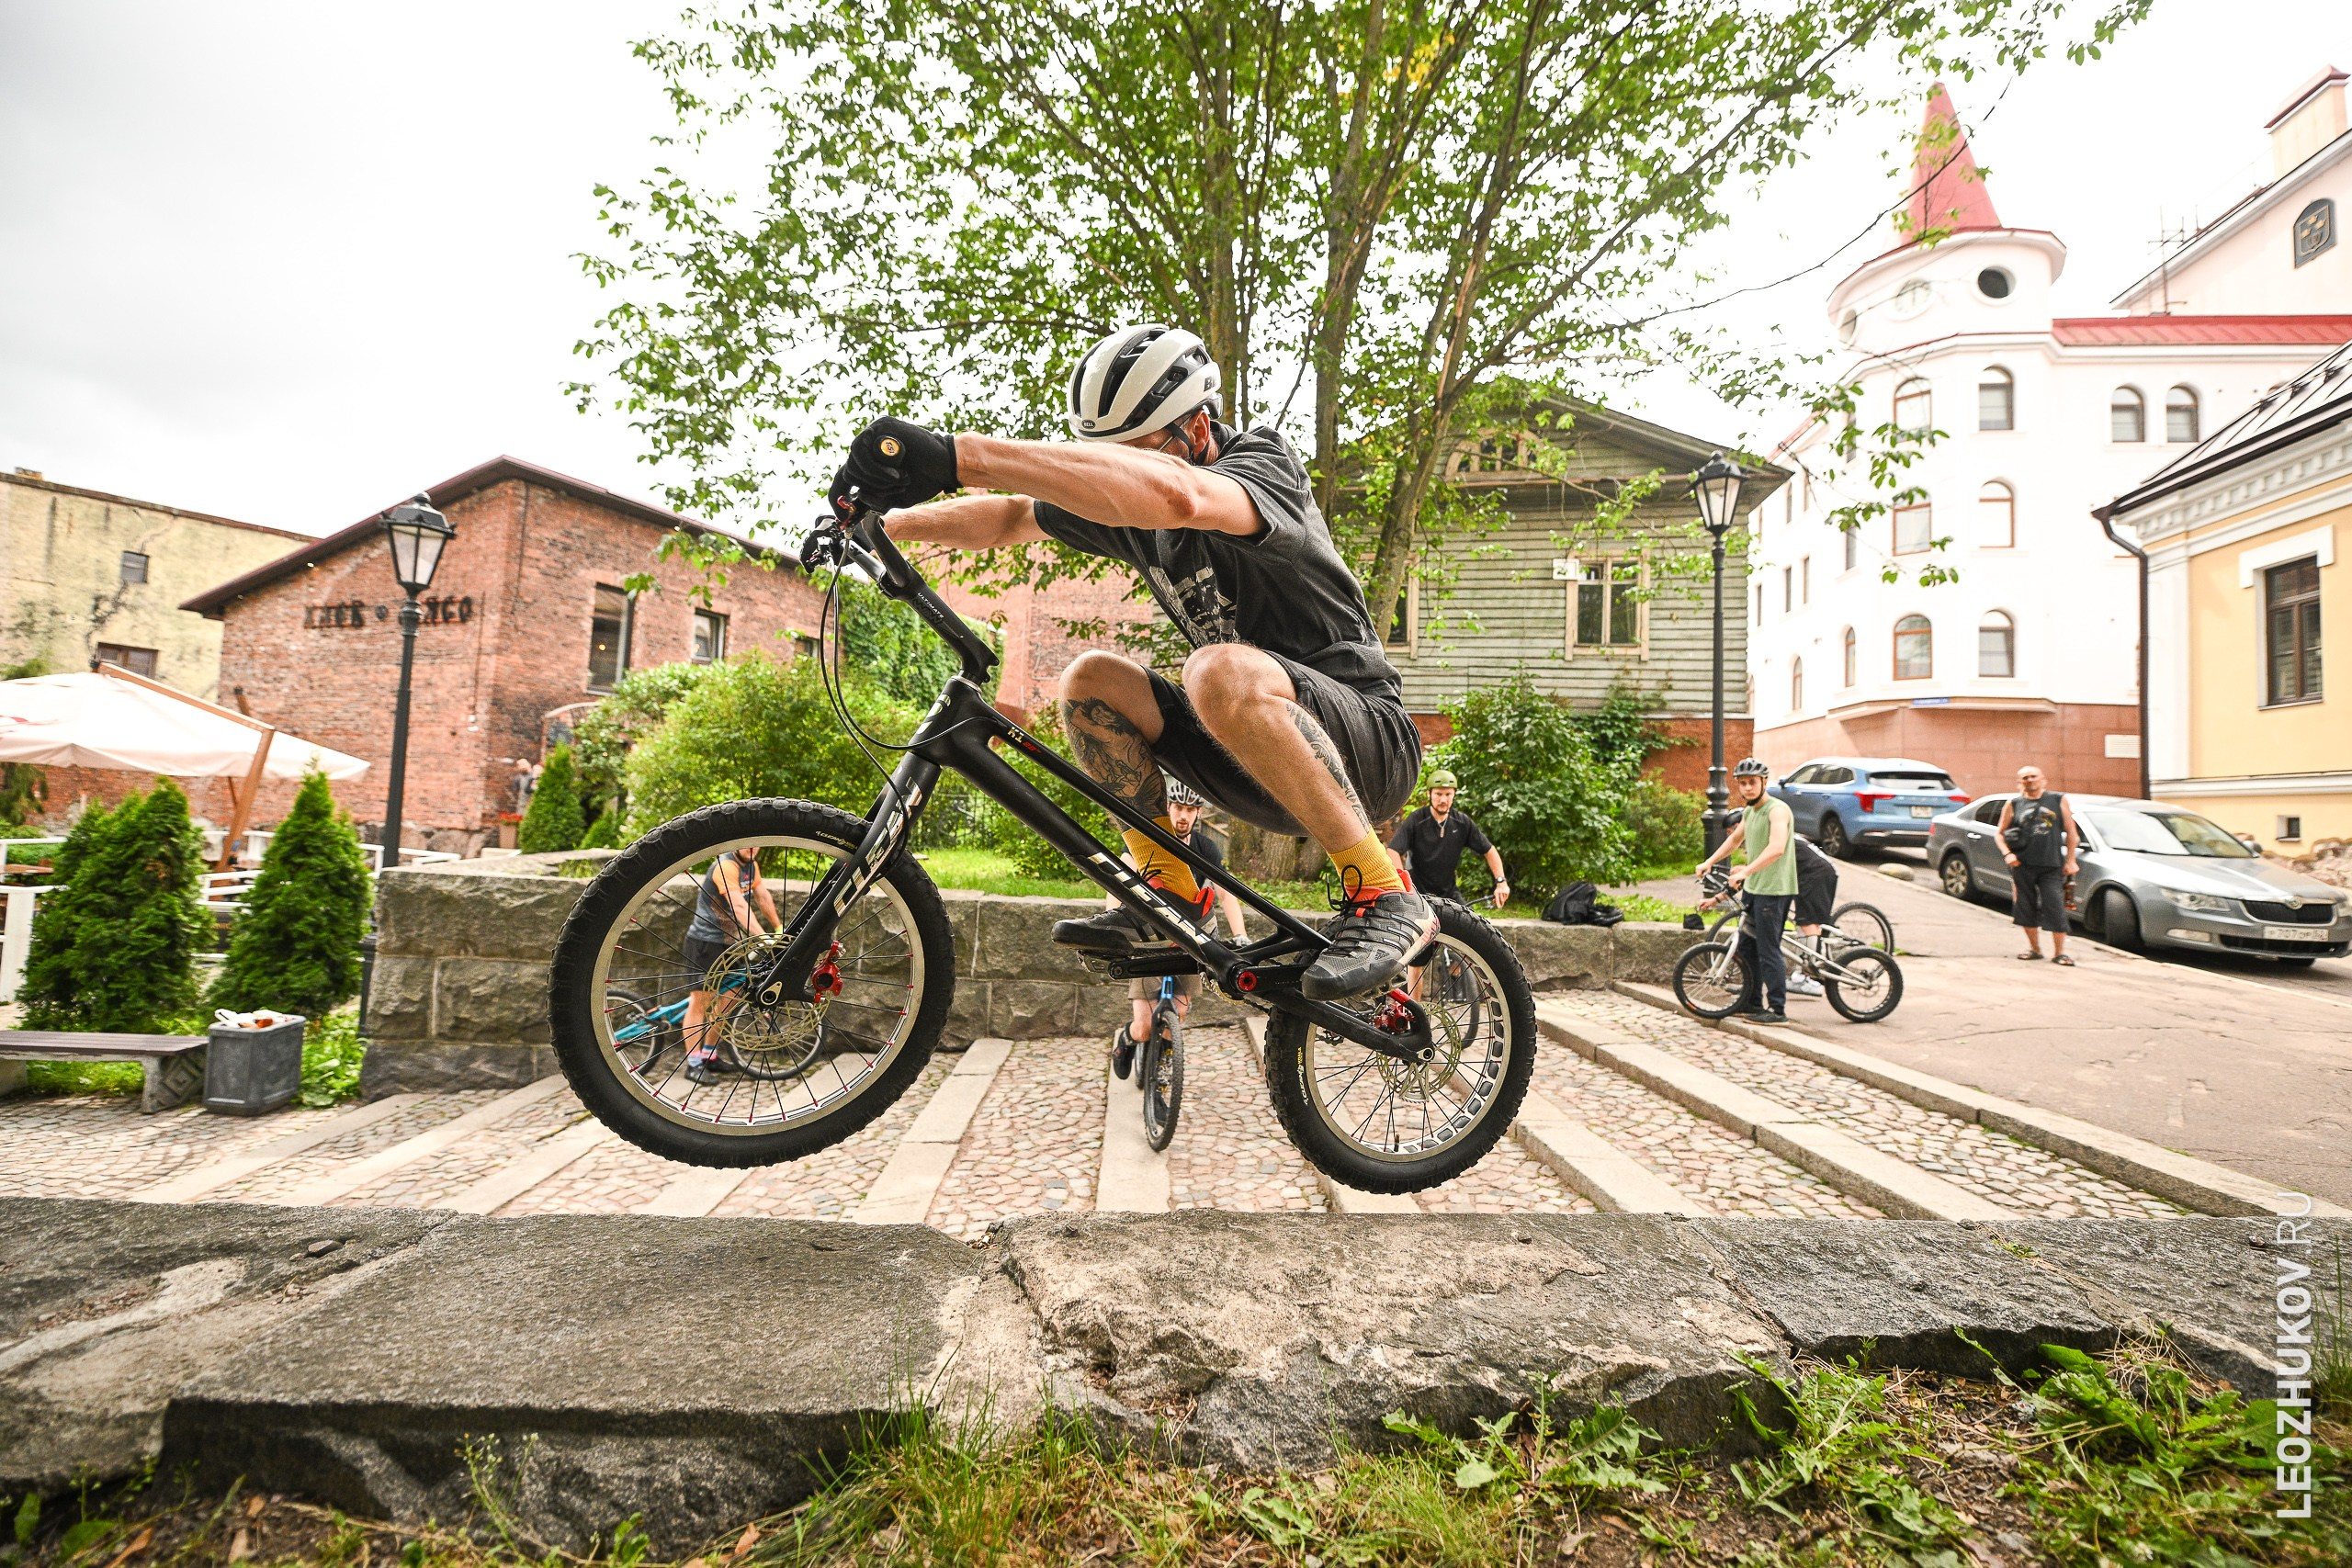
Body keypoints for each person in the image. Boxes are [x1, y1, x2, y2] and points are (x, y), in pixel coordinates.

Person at [829, 322, 1435, 1000]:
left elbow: (1179, 495)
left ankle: (1384, 893)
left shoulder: (1262, 464)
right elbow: (1009, 518)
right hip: (1251, 759)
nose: (1118, 479)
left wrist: (957, 454)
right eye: (1108, 461)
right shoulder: (1130, 512)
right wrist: (877, 525)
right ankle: (1168, 890)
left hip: (1368, 744)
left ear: (1198, 428)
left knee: (1215, 667)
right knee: (1091, 680)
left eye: (1136, 456)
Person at [1109, 777, 1250, 1079]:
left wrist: (1240, 935)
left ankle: (1163, 1067)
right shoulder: (1146, 839)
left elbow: (1225, 894)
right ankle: (1128, 1038)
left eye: (1190, 809)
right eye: (1177, 807)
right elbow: (1119, 881)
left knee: (1179, 1012)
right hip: (1150, 935)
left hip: (1188, 937)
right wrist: (1112, 921)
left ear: (1198, 813)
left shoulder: (1205, 848)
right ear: (1167, 808)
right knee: (1144, 1027)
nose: (1183, 815)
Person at [1693, 757, 1798, 1022]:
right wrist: (1709, 861)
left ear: (1764, 782)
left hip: (1774, 890)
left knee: (1768, 949)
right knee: (1748, 948)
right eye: (1743, 784)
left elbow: (1776, 848)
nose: (1748, 788)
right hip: (1755, 888)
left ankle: (1777, 1010)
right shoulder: (1750, 812)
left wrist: (1745, 871)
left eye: (1752, 783)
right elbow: (1734, 840)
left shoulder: (1778, 810)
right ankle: (1752, 1004)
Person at [680, 845, 784, 1084]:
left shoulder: (751, 866)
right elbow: (739, 907)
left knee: (729, 1000)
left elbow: (763, 897)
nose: (752, 848)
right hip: (706, 942)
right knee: (701, 1002)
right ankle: (693, 1064)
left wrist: (778, 929)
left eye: (757, 843)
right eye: (748, 843)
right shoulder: (725, 866)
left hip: (732, 943)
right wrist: (763, 938)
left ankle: (709, 1055)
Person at [1386, 769, 1510, 909]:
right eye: (1438, 794)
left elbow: (1489, 850)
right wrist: (1403, 887)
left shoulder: (1462, 822)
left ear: (1454, 795)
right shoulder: (1417, 819)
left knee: (1473, 928)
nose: (1443, 800)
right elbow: (1393, 850)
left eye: (1448, 794)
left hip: (1450, 894)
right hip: (1418, 895)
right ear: (1429, 794)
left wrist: (1501, 882)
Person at [1996, 764, 2079, 965]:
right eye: (2025, 778)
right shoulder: (2014, 804)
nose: (2030, 780)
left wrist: (2071, 860)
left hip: (2051, 865)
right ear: (2019, 782)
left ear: (2043, 780)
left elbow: (2071, 833)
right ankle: (2034, 949)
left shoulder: (2058, 800)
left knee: (2055, 906)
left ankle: (2060, 953)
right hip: (2022, 864)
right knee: (2025, 907)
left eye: (2033, 776)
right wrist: (2007, 854)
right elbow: (1999, 833)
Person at [1783, 832, 1840, 999]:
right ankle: (1803, 973)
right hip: (1814, 872)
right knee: (1804, 922)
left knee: (1808, 923)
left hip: (1815, 874)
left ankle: (1807, 977)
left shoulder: (1777, 836)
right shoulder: (1785, 834)